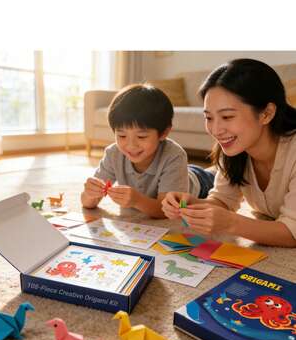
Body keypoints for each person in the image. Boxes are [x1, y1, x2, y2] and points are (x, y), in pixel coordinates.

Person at [162, 58, 296, 247]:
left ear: (266, 113)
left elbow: (291, 234)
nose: (216, 130)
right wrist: (191, 204)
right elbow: (222, 200)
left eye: (227, 117)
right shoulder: (236, 148)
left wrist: (232, 223)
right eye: (209, 117)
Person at [81, 83, 215, 218]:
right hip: (178, 171)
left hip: (199, 181)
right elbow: (87, 203)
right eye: (121, 136)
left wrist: (137, 201)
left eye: (141, 137)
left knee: (217, 178)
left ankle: (215, 170)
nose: (131, 145)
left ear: (164, 133)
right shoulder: (113, 154)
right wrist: (89, 194)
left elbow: (165, 212)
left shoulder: (174, 155)